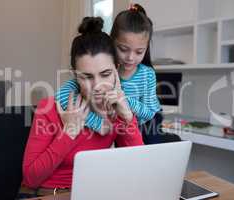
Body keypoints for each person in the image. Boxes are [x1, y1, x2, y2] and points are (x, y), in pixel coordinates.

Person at [19, 17, 143, 198]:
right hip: (50, 194)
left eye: (105, 74)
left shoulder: (117, 109)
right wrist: (69, 133)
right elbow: (31, 178)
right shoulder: (50, 108)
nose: (97, 86)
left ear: (116, 70)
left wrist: (127, 118)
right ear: (75, 76)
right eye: (87, 77)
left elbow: (138, 165)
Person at [56, 4, 168, 144]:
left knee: (151, 150)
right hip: (119, 124)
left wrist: (124, 101)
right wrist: (96, 122)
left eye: (139, 52)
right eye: (123, 49)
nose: (130, 58)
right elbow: (61, 96)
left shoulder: (147, 74)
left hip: (147, 122)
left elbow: (149, 112)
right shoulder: (97, 70)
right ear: (112, 43)